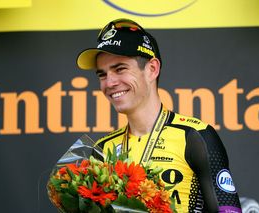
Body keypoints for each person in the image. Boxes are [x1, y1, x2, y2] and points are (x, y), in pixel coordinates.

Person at [77, 18, 242, 213]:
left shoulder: (195, 135)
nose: (109, 82)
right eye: (102, 75)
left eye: (120, 69)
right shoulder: (103, 149)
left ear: (152, 69)